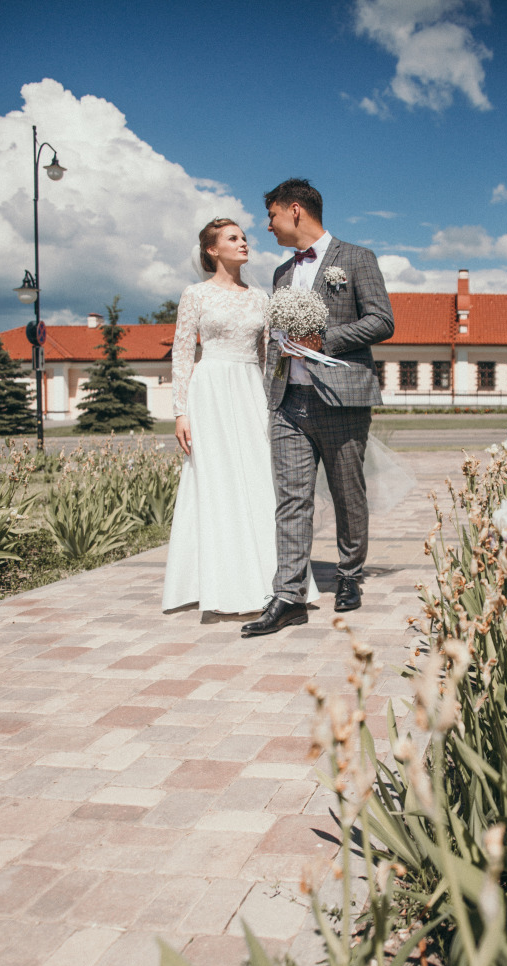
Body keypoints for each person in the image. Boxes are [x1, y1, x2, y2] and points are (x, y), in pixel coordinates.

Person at [241, 179, 394, 638]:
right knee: (291, 499)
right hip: (290, 399)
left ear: (294, 211)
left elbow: (382, 319)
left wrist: (323, 340)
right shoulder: (281, 273)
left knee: (348, 491)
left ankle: (349, 574)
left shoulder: (356, 258)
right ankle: (288, 596)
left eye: (270, 216)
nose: (266, 226)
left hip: (342, 396)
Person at [162, 217, 318, 615]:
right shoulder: (194, 294)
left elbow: (269, 358)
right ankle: (216, 581)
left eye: (245, 237)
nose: (244, 242)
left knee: (259, 478)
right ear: (213, 250)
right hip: (209, 390)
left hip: (250, 389)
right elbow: (182, 353)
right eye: (233, 238)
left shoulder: (261, 297)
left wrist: (276, 399)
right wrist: (180, 412)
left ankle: (273, 578)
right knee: (213, 480)